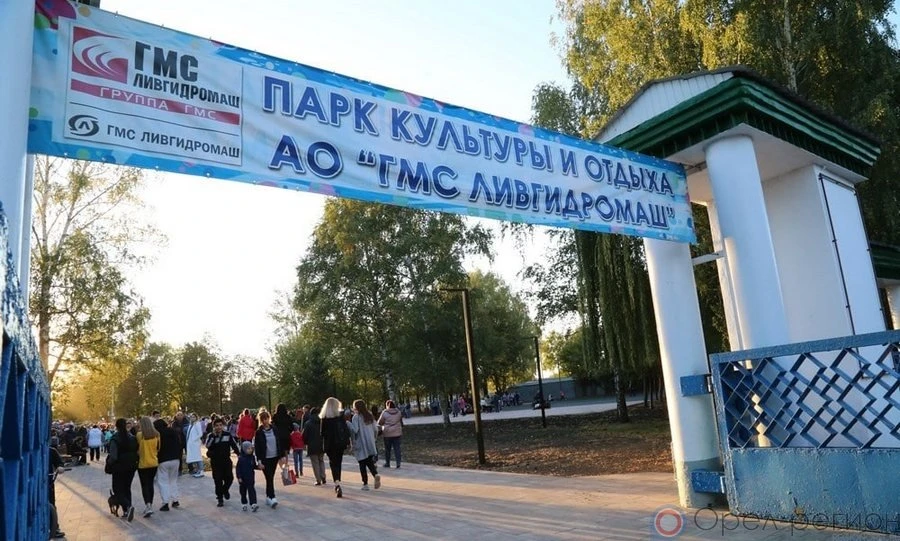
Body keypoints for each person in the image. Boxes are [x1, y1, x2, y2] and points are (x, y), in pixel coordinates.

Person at [205, 417, 241, 507]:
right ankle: (220, 498)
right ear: (214, 427)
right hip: (216, 462)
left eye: (220, 425)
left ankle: (225, 490)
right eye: (217, 425)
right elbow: (207, 446)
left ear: (223, 426)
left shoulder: (227, 434)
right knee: (218, 480)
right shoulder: (211, 436)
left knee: (229, 478)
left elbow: (234, 445)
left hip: (226, 461)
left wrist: (239, 454)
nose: (219, 427)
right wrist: (214, 437)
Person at [108, 418, 138, 522]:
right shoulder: (132, 437)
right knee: (127, 488)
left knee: (117, 489)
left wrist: (109, 463)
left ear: (116, 426)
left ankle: (128, 506)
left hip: (119, 467)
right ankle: (127, 510)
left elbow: (113, 456)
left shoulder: (115, 438)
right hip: (131, 467)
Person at [254, 410, 286, 508]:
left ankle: (269, 497)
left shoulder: (274, 429)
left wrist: (282, 456)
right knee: (269, 477)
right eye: (263, 419)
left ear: (269, 418)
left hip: (274, 457)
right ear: (260, 420)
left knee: (270, 477)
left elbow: (279, 442)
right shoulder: (259, 432)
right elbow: (257, 448)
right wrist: (259, 460)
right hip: (265, 459)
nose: (265, 421)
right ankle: (272, 497)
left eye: (266, 418)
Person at [320, 397, 350, 498]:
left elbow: (322, 433)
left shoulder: (324, 418)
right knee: (338, 462)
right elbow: (345, 430)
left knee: (333, 463)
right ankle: (338, 481)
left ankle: (337, 483)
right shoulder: (340, 416)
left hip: (330, 444)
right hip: (340, 443)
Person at [349, 399, 380, 491]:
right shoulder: (369, 415)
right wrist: (374, 439)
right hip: (370, 442)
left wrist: (348, 424)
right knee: (369, 461)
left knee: (362, 464)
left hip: (361, 443)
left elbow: (355, 430)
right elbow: (376, 429)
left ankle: (365, 484)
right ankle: (375, 474)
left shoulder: (356, 417)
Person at [153, 418, 181, 511]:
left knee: (163, 481)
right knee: (173, 480)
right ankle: (175, 499)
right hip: (175, 459)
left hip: (163, 460)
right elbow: (179, 444)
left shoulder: (157, 434)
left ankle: (165, 502)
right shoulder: (173, 431)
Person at [136, 416, 160, 518]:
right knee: (150, 484)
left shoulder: (139, 435)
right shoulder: (157, 435)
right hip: (154, 462)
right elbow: (158, 448)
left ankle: (148, 505)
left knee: (144, 485)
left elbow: (137, 449)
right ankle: (150, 504)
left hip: (143, 463)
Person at [302, 406, 326, 486]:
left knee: (315, 463)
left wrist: (305, 443)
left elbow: (304, 436)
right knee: (321, 461)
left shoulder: (308, 423)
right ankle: (323, 476)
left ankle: (318, 479)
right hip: (321, 444)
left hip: (312, 445)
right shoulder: (322, 422)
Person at [378, 399, 404, 469]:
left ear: (387, 405)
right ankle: (398, 463)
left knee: (387, 449)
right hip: (397, 433)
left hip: (387, 433)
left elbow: (380, 422)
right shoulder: (398, 412)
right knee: (397, 448)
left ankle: (387, 463)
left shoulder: (384, 412)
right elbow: (401, 421)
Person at [49, 437, 66, 538]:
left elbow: (59, 463)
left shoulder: (51, 451)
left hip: (48, 483)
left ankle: (54, 528)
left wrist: (60, 467)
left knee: (51, 504)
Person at [235, 441, 259, 512]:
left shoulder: (252, 457)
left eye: (251, 448)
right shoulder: (241, 458)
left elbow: (253, 466)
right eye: (248, 449)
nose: (250, 450)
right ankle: (244, 503)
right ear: (244, 449)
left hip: (250, 477)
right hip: (242, 479)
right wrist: (239, 477)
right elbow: (238, 469)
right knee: (243, 492)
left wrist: (258, 467)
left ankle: (253, 504)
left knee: (252, 490)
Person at [185, 413, 204, 477]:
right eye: (191, 417)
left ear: (196, 418)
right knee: (195, 458)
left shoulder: (197, 424)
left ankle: (201, 471)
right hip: (191, 444)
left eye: (194, 417)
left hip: (195, 443)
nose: (192, 418)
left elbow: (200, 434)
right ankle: (198, 470)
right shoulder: (191, 424)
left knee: (198, 457)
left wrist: (193, 440)